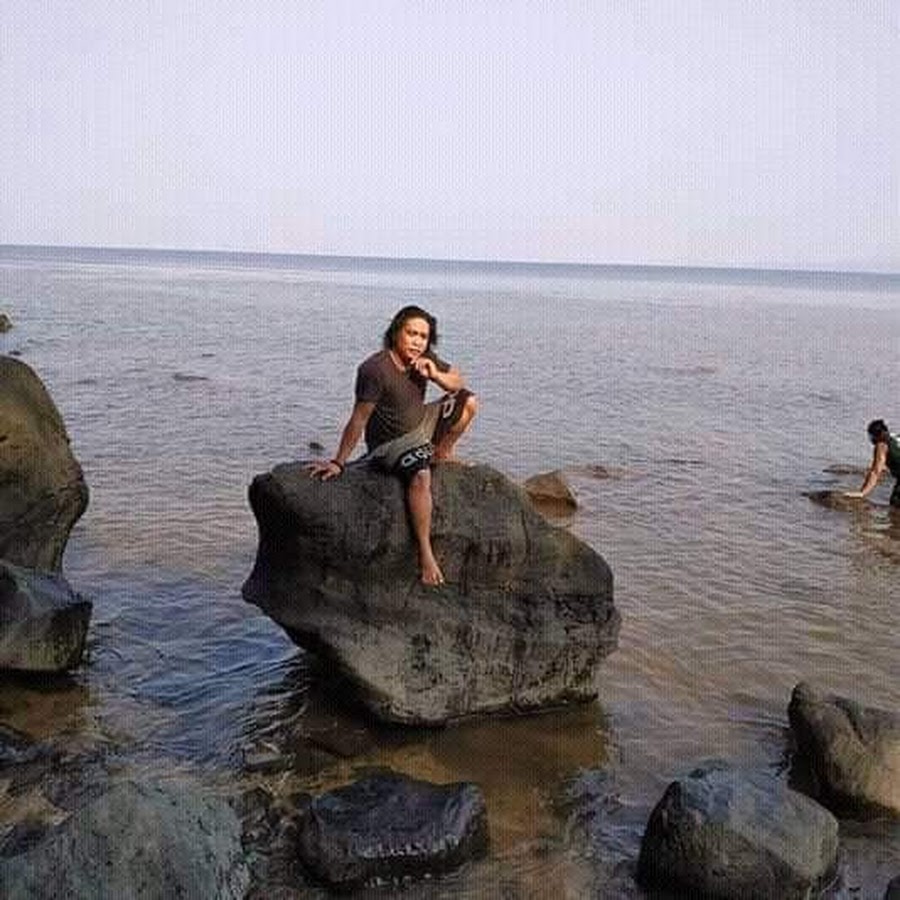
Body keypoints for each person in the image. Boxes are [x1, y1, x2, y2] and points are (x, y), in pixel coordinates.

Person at [307, 306, 477, 585]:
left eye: (423, 336)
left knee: (468, 401)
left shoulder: (424, 358)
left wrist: (435, 374)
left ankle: (441, 453)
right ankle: (425, 553)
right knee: (421, 476)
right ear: (396, 332)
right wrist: (338, 462)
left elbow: (458, 380)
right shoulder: (374, 370)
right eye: (411, 333)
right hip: (390, 444)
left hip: (421, 424)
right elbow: (359, 418)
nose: (417, 341)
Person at [844, 419, 900, 507]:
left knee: (895, 504)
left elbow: (875, 472)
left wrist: (862, 493)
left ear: (875, 436)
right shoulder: (896, 437)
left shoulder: (881, 445)